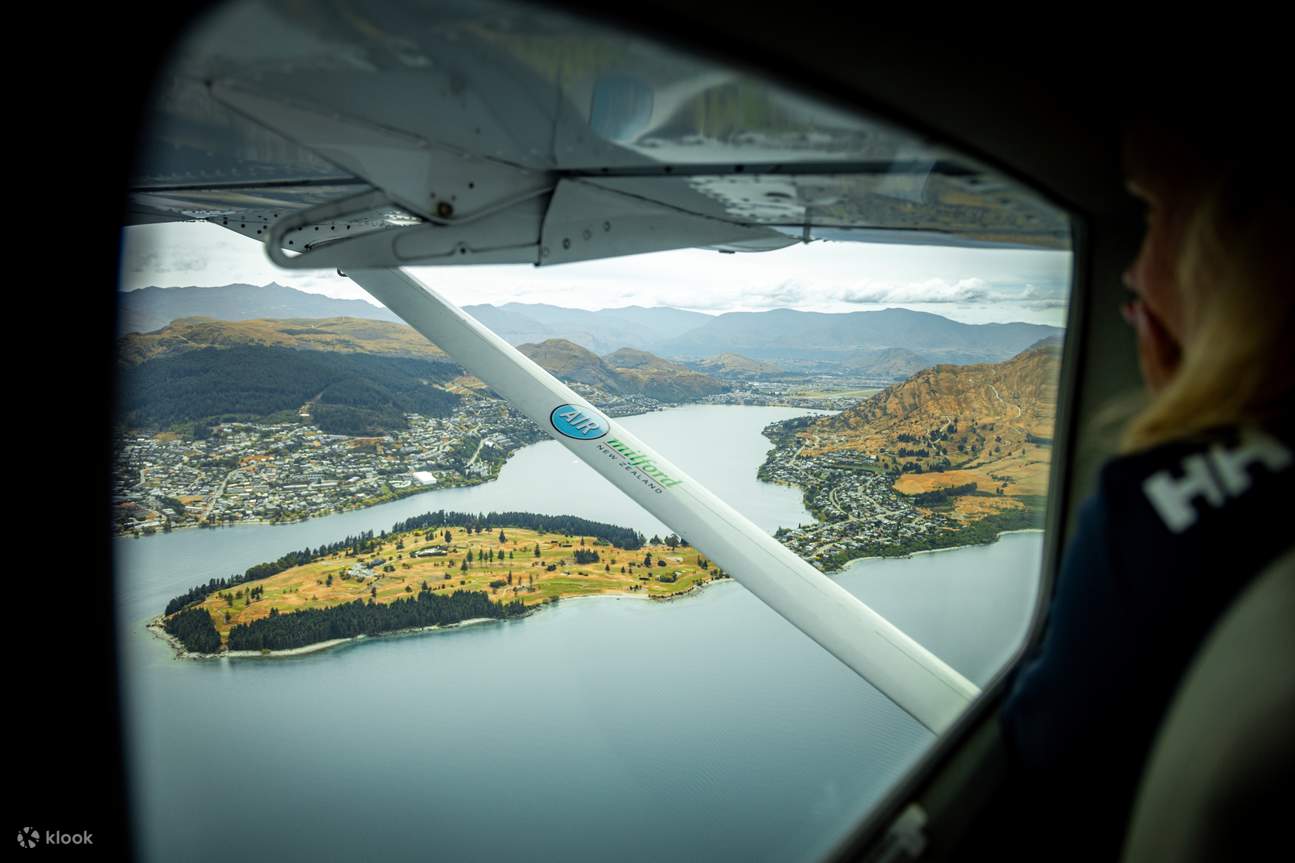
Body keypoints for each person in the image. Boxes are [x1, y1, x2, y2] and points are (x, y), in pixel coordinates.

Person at [996, 108, 1293, 860]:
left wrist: (1183, 407)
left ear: (1238, 250)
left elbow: (1045, 752)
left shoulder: (1158, 506)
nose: (1130, 270)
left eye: (1157, 213)